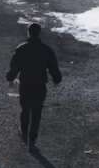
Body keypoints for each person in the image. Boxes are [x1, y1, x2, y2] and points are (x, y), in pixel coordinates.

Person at [5, 22, 62, 153]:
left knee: (25, 109)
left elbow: (14, 67)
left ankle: (24, 133)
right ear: (39, 33)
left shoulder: (21, 48)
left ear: (28, 33)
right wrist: (57, 79)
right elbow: (53, 67)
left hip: (25, 84)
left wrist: (10, 77)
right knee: (37, 112)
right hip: (40, 85)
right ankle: (32, 139)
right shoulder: (46, 50)